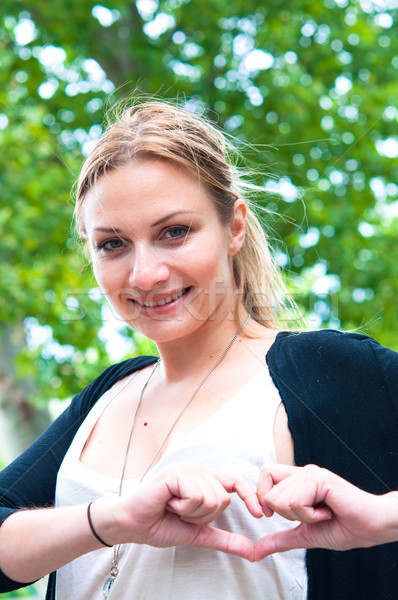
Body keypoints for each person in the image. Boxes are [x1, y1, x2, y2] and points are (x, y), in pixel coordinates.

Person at [0, 100, 397, 600]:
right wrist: (114, 519)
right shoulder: (105, 396)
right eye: (112, 244)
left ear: (234, 228)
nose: (145, 275)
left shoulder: (331, 371)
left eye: (175, 232)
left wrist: (384, 515)